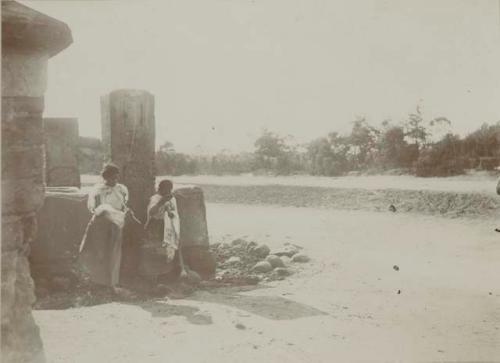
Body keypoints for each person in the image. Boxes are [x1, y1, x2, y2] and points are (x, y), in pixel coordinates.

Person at [79, 163, 130, 295]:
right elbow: (94, 208)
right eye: (111, 178)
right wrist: (104, 211)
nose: (114, 180)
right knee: (98, 251)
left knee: (114, 253)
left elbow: (124, 204)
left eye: (116, 178)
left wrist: (122, 213)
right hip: (100, 223)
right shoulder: (98, 189)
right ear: (105, 177)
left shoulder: (122, 189)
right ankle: (96, 283)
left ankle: (111, 284)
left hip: (116, 223)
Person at [140, 179, 181, 281]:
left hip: (167, 225)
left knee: (169, 247)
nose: (168, 192)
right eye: (165, 190)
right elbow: (151, 213)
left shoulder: (171, 199)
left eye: (169, 190)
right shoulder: (155, 198)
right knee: (156, 248)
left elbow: (174, 212)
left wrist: (171, 213)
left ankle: (168, 272)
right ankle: (154, 274)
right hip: (155, 225)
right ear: (160, 189)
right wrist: (161, 202)